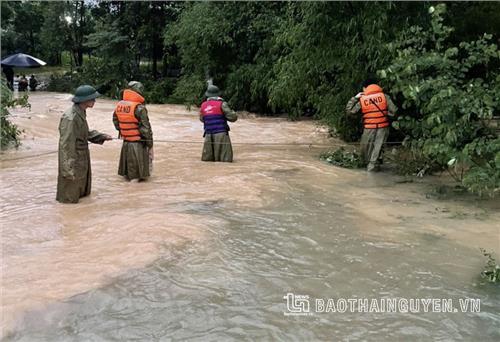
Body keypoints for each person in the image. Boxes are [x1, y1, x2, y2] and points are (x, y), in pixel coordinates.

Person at [56, 85, 112, 203]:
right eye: (92, 98)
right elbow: (65, 145)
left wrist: (101, 136)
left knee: (82, 196)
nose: (95, 101)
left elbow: (84, 133)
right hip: (74, 159)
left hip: (81, 157)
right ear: (84, 100)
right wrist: (67, 169)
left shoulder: (80, 112)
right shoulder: (70, 118)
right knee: (69, 199)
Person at [346, 79, 397, 171]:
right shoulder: (384, 96)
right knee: (377, 151)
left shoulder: (362, 99)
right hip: (383, 128)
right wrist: (384, 114)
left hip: (369, 129)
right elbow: (394, 111)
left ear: (364, 88)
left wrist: (355, 98)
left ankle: (369, 173)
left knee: (365, 151)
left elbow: (350, 111)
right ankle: (374, 168)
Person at [112, 81, 153, 181]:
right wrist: (150, 145)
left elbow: (116, 121)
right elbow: (146, 129)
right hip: (138, 145)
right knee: (136, 179)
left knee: (128, 177)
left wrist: (124, 131)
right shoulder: (140, 108)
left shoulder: (119, 105)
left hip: (126, 143)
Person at [199, 85, 238, 162]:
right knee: (225, 160)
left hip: (208, 134)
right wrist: (234, 112)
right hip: (221, 134)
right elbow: (233, 118)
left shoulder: (203, 105)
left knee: (208, 161)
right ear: (218, 94)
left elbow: (202, 119)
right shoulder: (222, 104)